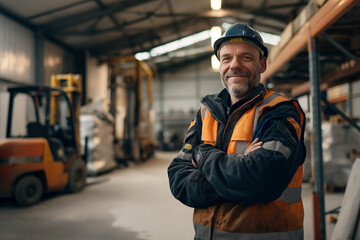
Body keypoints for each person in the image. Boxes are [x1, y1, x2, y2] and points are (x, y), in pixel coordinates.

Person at [167, 23, 306, 240]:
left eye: (246, 58)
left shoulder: (280, 112)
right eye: (226, 59)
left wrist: (203, 155)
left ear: (262, 64)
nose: (235, 65)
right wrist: (236, 171)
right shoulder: (206, 113)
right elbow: (177, 178)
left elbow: (262, 181)